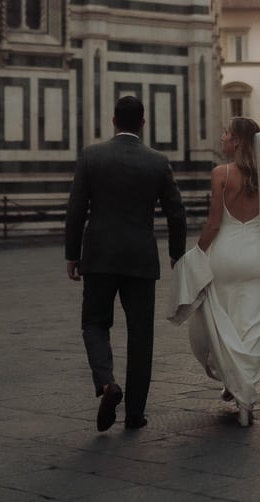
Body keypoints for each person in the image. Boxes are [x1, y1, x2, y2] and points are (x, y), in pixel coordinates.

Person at [166, 117, 260, 427]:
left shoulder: (221, 174)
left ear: (236, 142)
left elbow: (214, 224)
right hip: (257, 258)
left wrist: (197, 252)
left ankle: (234, 385)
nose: (222, 138)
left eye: (226, 134)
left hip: (225, 256)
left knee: (222, 323)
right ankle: (244, 397)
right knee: (250, 325)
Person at [65, 95, 187, 433]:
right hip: (140, 259)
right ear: (143, 123)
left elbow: (76, 209)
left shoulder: (92, 156)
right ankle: (135, 414)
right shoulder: (158, 161)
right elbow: (176, 213)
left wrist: (72, 254)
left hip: (100, 256)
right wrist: (177, 253)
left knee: (94, 323)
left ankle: (107, 384)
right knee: (141, 336)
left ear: (114, 120)